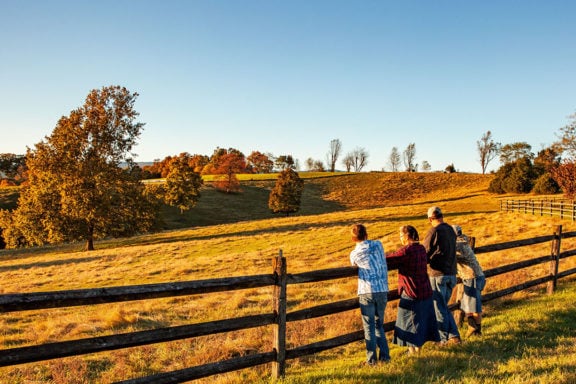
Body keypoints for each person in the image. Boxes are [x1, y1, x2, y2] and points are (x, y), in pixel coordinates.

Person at [386, 225, 440, 354]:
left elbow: (389, 260)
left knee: (408, 322)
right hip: (424, 289)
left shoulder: (406, 251)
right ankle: (418, 350)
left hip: (411, 291)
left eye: (400, 236)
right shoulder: (421, 248)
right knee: (420, 321)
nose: (400, 238)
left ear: (406, 236)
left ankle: (413, 352)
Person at [349, 223, 390, 365]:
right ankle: (385, 357)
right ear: (366, 234)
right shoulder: (378, 245)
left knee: (369, 327)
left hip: (367, 290)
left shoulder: (354, 253)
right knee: (379, 325)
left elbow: (354, 264)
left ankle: (371, 360)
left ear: (353, 239)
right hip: (383, 289)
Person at [422, 206, 461, 345]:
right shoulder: (450, 229)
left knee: (439, 308)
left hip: (438, 274)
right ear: (441, 216)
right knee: (443, 306)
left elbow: (424, 252)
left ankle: (443, 339)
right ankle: (454, 337)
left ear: (430, 219)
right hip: (451, 273)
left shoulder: (434, 231)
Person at [452, 224, 486, 337]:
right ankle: (475, 330)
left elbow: (448, 254)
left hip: (472, 278)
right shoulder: (464, 241)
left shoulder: (458, 245)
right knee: (469, 305)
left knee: (474, 307)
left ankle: (475, 330)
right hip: (474, 276)